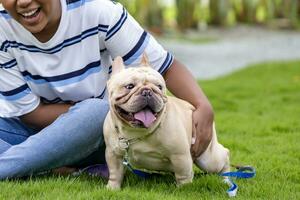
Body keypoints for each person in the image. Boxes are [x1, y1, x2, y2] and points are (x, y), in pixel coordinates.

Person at [0, 0, 213, 180]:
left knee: (97, 111)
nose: (23, 2)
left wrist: (203, 106)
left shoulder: (98, 11)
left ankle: (27, 163)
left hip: (97, 130)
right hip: (36, 127)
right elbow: (31, 113)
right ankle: (45, 165)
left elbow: (165, 67)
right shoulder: (2, 26)